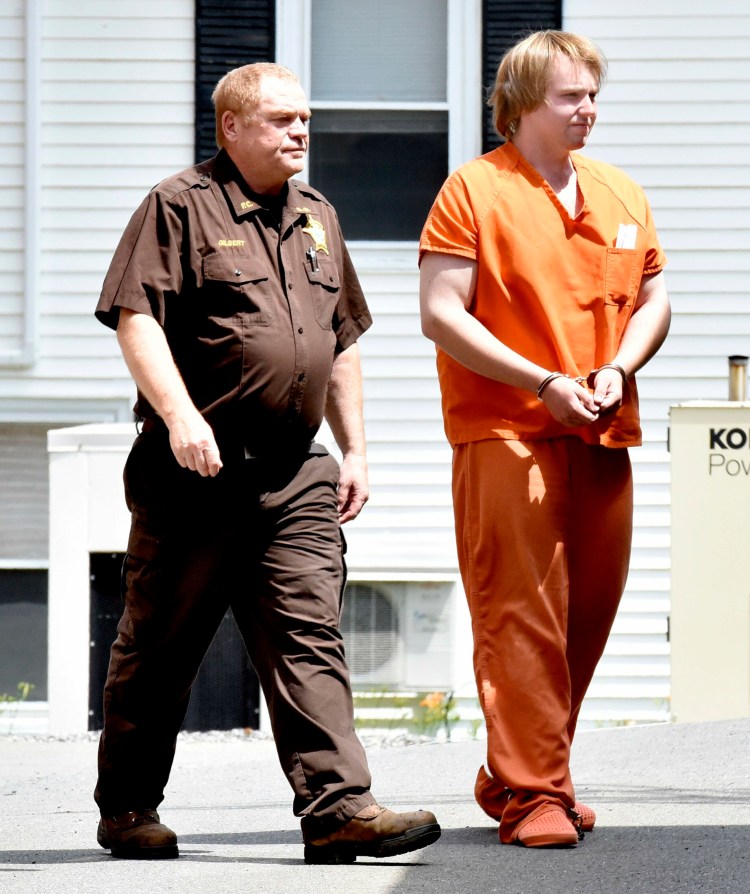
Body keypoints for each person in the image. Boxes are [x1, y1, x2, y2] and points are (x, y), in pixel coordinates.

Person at [93, 62, 440, 864]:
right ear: (232, 128)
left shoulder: (319, 215)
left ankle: (338, 810)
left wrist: (355, 450)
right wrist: (180, 417)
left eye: (306, 119)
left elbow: (340, 341)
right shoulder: (179, 206)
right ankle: (129, 809)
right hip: (194, 476)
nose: (301, 133)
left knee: (308, 636)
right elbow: (136, 318)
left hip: (296, 476)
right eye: (282, 120)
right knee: (159, 647)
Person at [419, 31, 670, 848]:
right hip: (506, 428)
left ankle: (520, 770)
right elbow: (441, 312)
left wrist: (622, 367)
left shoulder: (620, 193)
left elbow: (654, 297)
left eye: (593, 94)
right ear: (522, 102)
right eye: (571, 96)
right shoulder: (473, 191)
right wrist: (542, 382)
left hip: (602, 428)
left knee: (588, 613)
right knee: (521, 613)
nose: (587, 109)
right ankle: (533, 797)